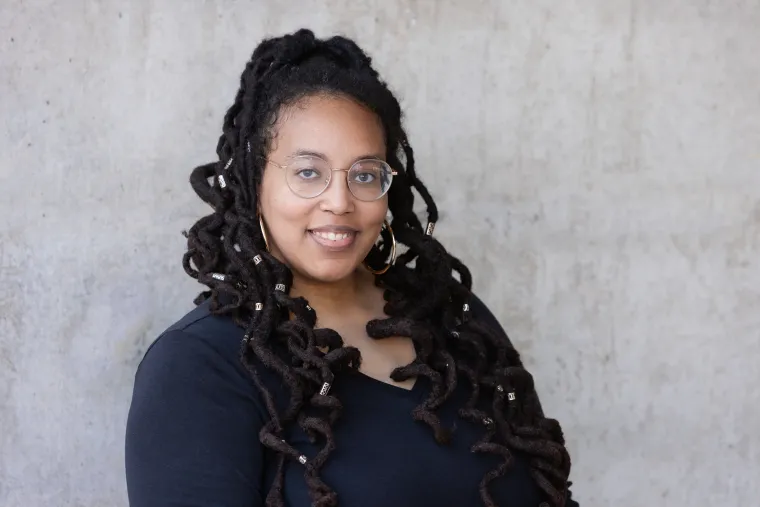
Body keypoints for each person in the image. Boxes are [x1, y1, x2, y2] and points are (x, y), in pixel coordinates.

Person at [125, 28, 579, 507]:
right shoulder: (198, 369)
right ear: (254, 179)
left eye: (364, 175)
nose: (340, 202)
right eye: (308, 172)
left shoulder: (453, 320)